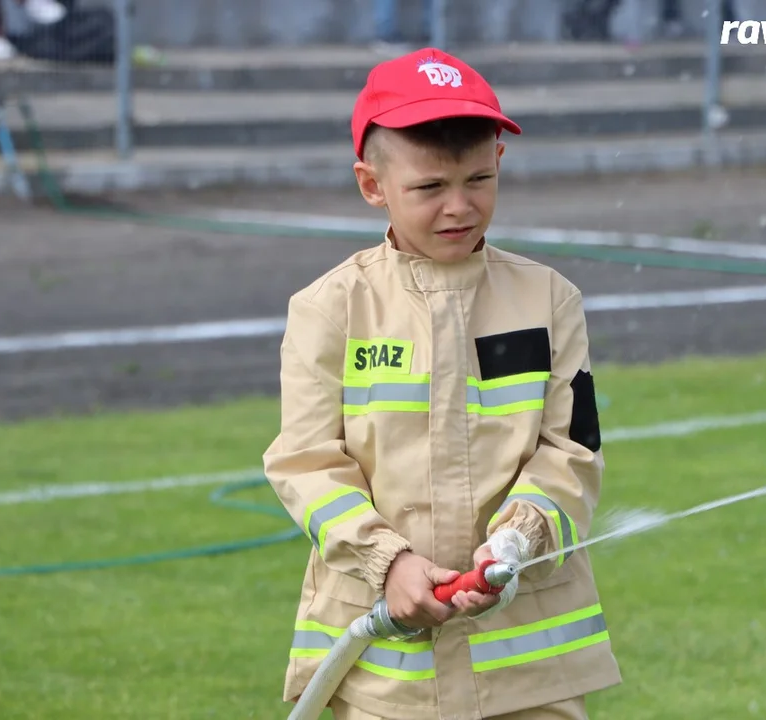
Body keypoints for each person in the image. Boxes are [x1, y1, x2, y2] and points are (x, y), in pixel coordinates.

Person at [262, 47, 622, 720]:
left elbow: (572, 451)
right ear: (373, 185)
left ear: (500, 166)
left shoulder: (550, 299)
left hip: (526, 668)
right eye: (429, 188)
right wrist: (388, 562)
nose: (460, 206)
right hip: (383, 674)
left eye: (478, 180)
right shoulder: (330, 308)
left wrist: (520, 538)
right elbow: (305, 465)